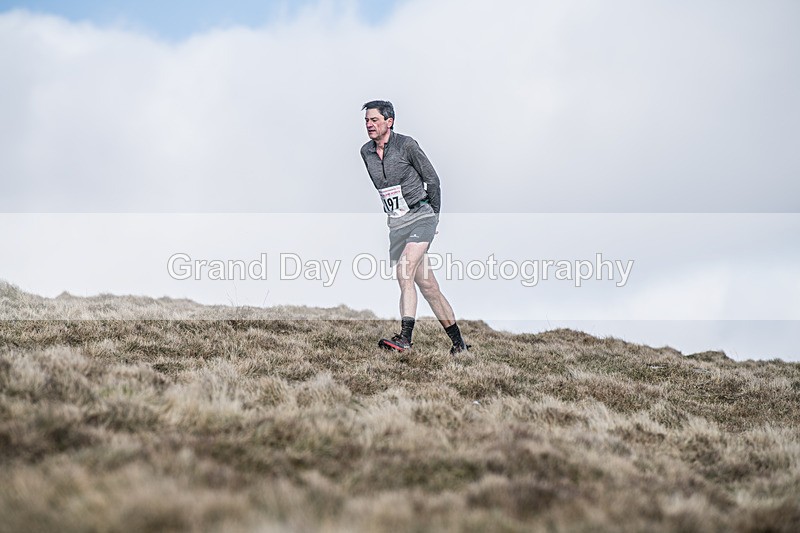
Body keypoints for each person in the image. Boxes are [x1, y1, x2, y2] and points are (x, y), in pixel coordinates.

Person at [360, 100, 470, 355]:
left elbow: (433, 180)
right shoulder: (366, 152)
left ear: (389, 122)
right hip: (397, 225)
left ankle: (405, 340)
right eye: (366, 121)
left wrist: (434, 217)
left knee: (404, 271)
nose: (369, 125)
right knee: (429, 287)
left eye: (374, 120)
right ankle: (459, 345)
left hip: (421, 217)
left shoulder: (407, 145)